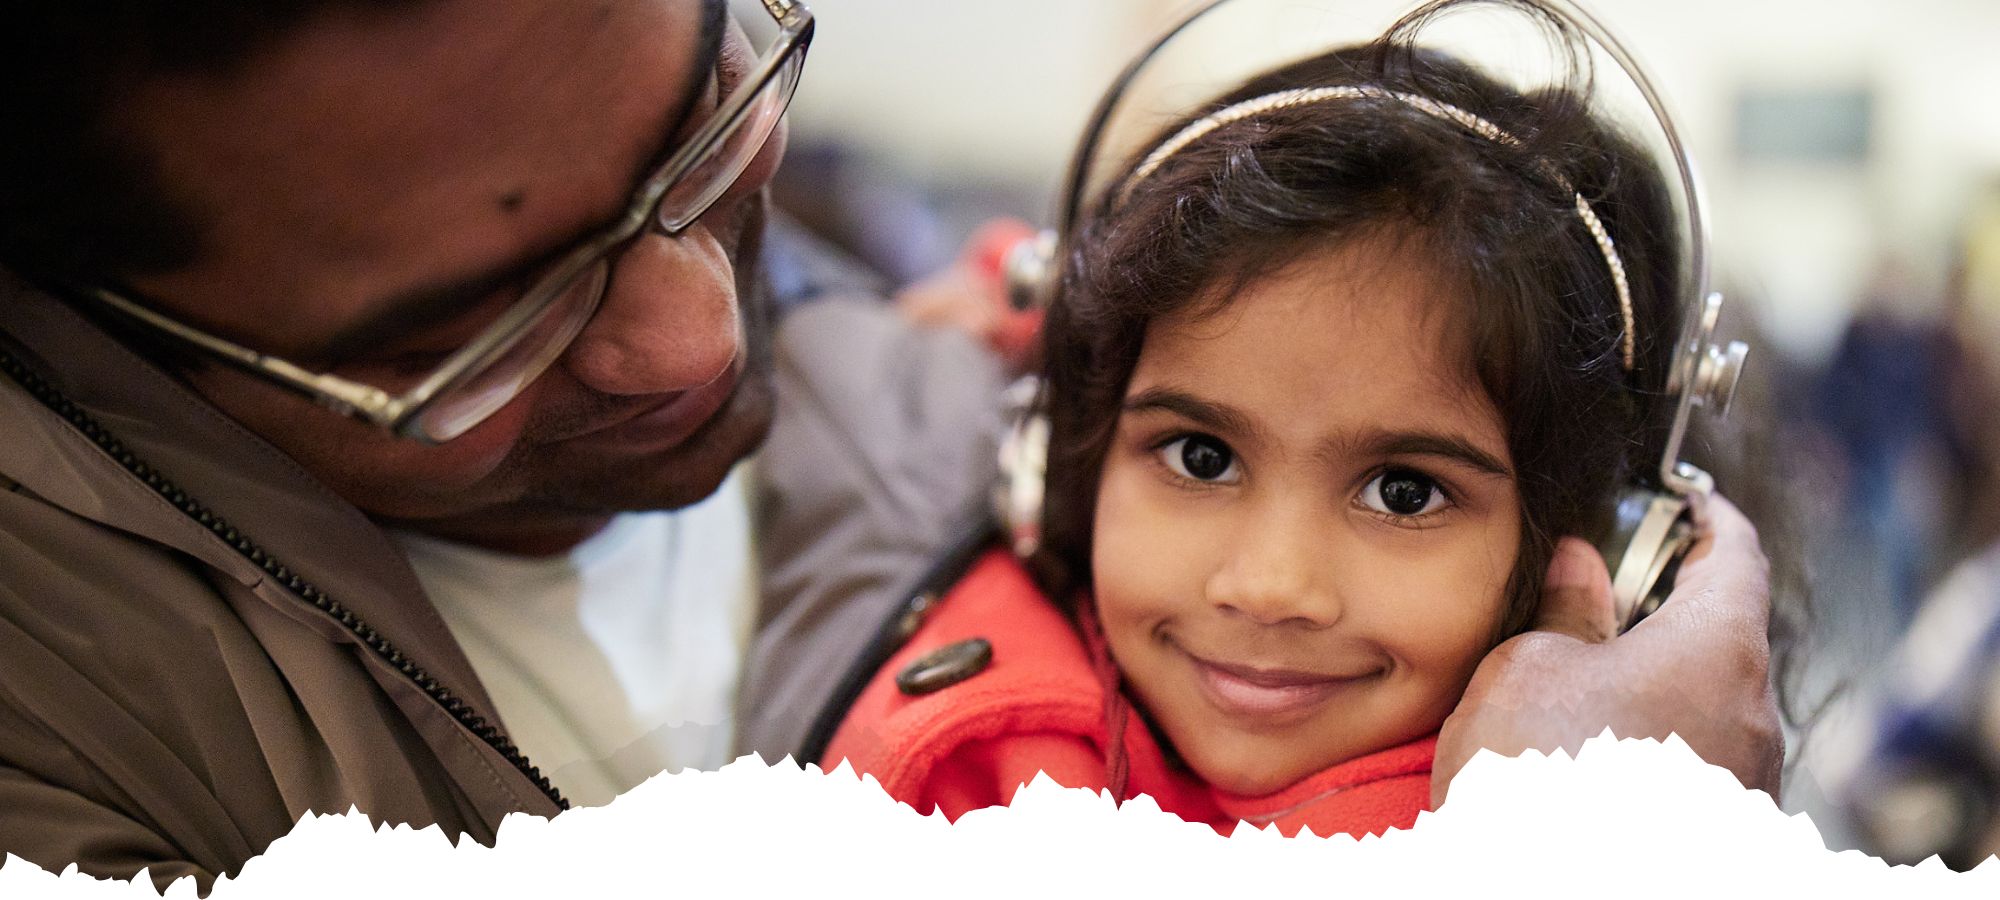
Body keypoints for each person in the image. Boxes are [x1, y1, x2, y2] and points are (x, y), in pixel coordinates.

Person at [0, 0, 1776, 889]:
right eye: (466, 325)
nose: (703, 337)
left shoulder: (925, 388)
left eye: (703, 132)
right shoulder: (59, 750)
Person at [828, 4, 1782, 837]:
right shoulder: (965, 764)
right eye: (1201, 457)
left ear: (1616, 552)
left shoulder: (1596, 835)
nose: (1271, 586)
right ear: (1051, 465)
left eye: (1403, 492)